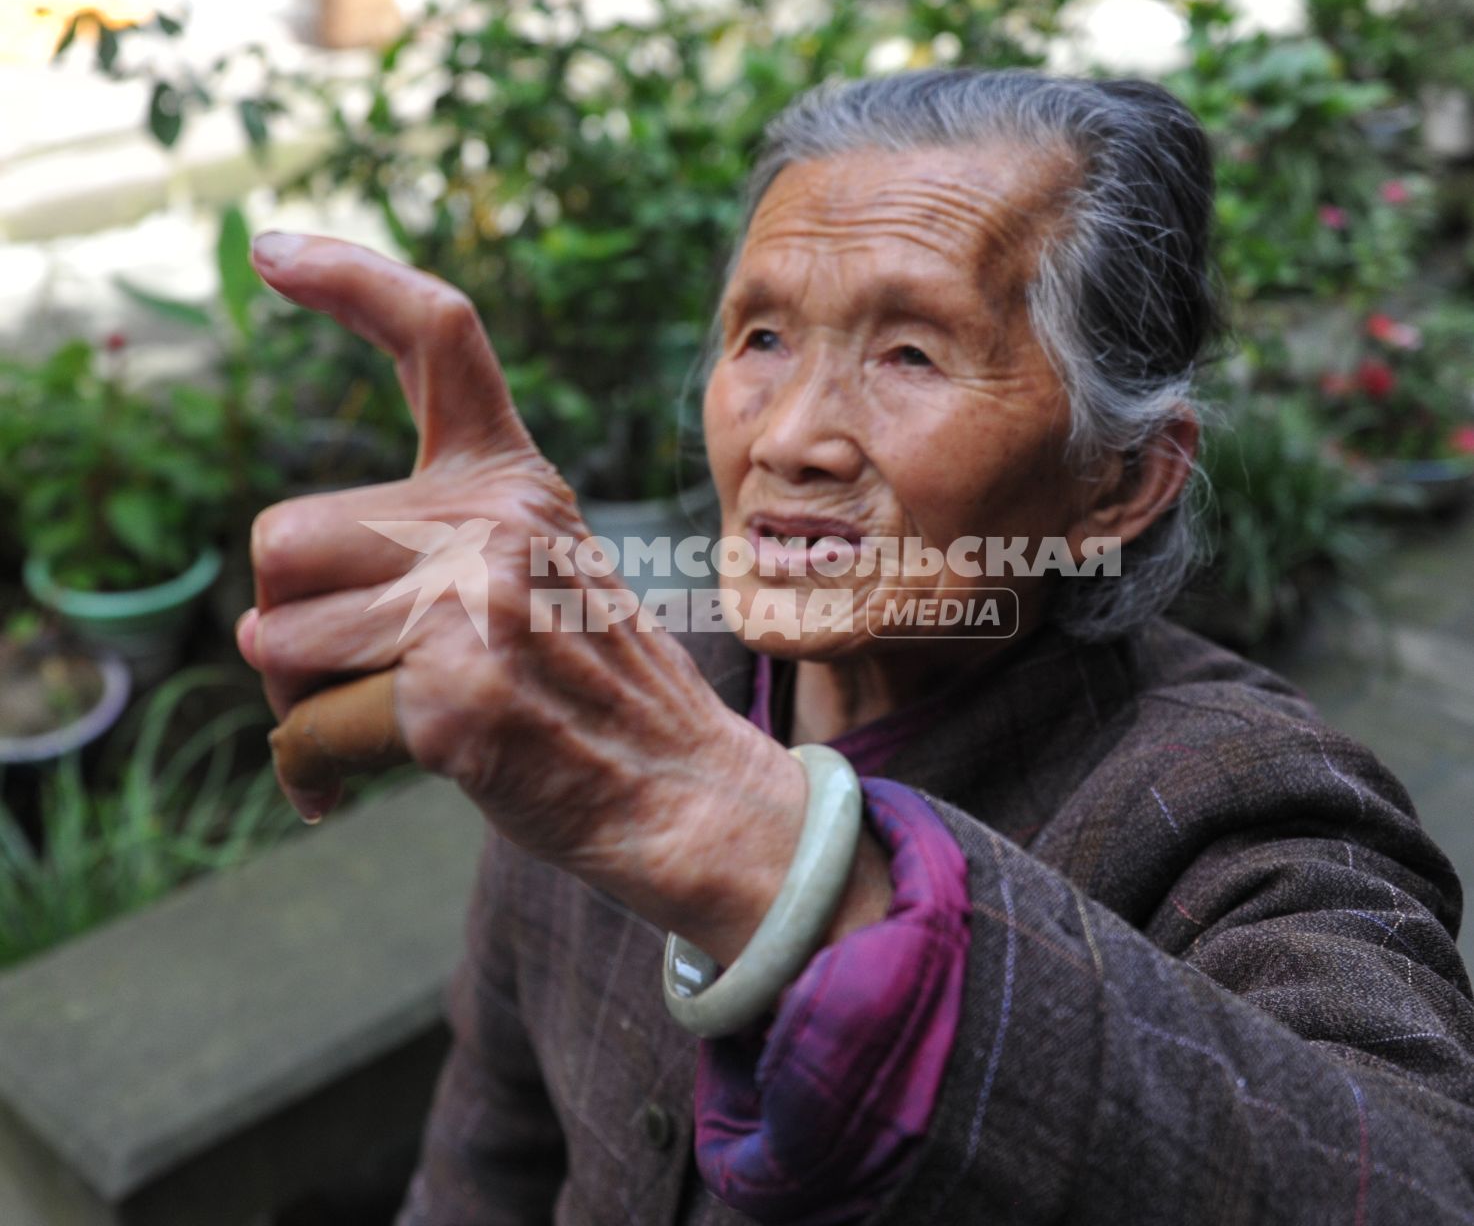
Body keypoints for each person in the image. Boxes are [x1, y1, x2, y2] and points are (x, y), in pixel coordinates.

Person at [237, 70, 1474, 1225]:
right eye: (762, 337)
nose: (791, 437)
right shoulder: (621, 688)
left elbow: (1413, 1182)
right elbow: (485, 1156)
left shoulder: (1237, 809)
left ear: (1120, 478)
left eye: (910, 351)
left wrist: (757, 846)